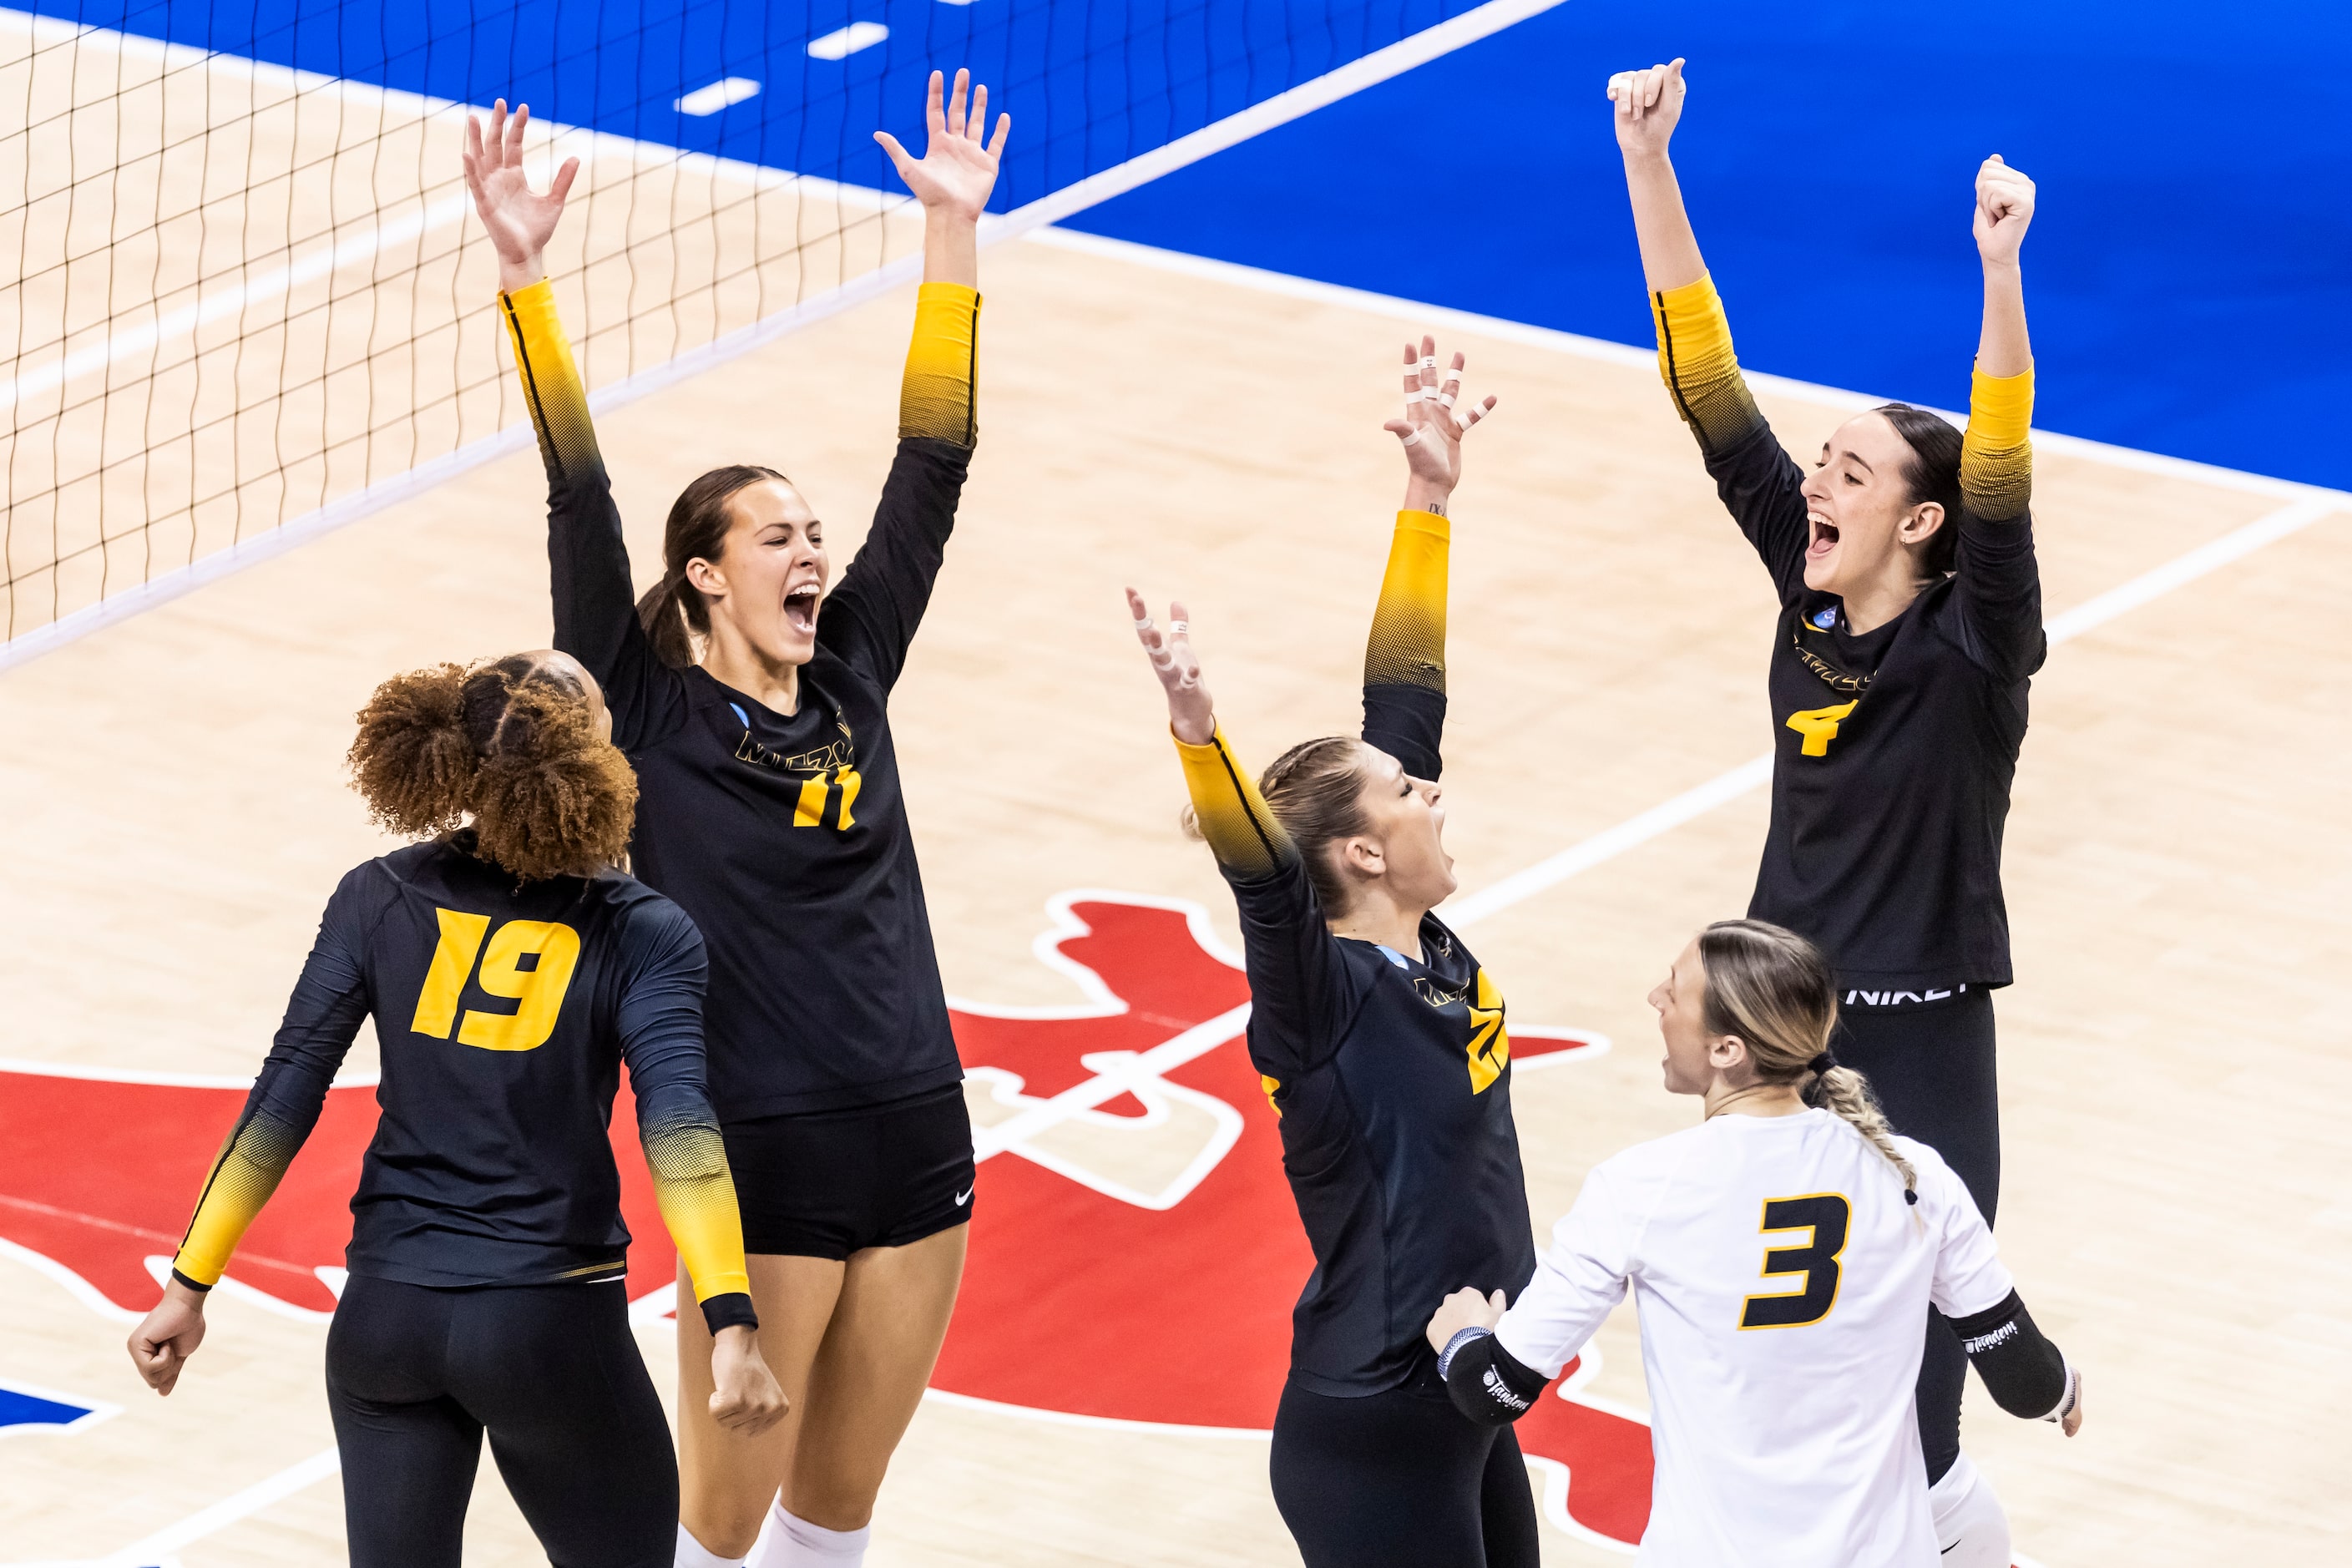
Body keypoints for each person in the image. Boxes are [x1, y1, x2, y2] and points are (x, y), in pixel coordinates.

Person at [461, 71, 1009, 1568]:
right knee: (717, 1527)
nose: (815, 550)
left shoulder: (855, 662)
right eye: (779, 536)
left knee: (835, 1520)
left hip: (913, 1116)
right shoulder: (639, 701)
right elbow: (580, 494)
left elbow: (934, 466)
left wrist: (950, 242)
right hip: (753, 1144)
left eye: (814, 533)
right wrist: (525, 281)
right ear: (706, 573)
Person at [1605, 57, 2046, 1559]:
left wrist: (1995, 270)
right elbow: (1705, 393)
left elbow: (1999, 465)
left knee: (1920, 1397)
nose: (1815, 484)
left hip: (1918, 1035)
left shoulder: (1973, 638)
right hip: (1782, 1026)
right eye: (1821, 466)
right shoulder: (1804, 604)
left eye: (1849, 472)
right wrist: (1648, 165)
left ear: (1918, 522)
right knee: (1777, 1353)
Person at [125, 650, 787, 1568]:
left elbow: (284, 1095)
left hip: (383, 1320)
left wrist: (187, 1287)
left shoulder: (375, 894)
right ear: (591, 764)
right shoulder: (642, 930)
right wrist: (732, 1329)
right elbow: (680, 1130)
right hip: (546, 1324)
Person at [1128, 343, 1530, 1566]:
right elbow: (1262, 883)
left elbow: (1406, 696)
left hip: (1471, 1390)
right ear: (1359, 853)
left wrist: (1429, 502)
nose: (1434, 796)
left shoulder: (1426, 943)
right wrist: (1205, 744)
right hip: (1374, 1423)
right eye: (1410, 795)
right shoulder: (1324, 999)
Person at [1427, 919, 2083, 1567]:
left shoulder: (1638, 1188)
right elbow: (2025, 1383)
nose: (1655, 998)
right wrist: (2062, 1392)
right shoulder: (1914, 1176)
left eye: (1675, 989)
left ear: (1726, 1050)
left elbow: (1493, 1392)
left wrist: (1461, 1336)